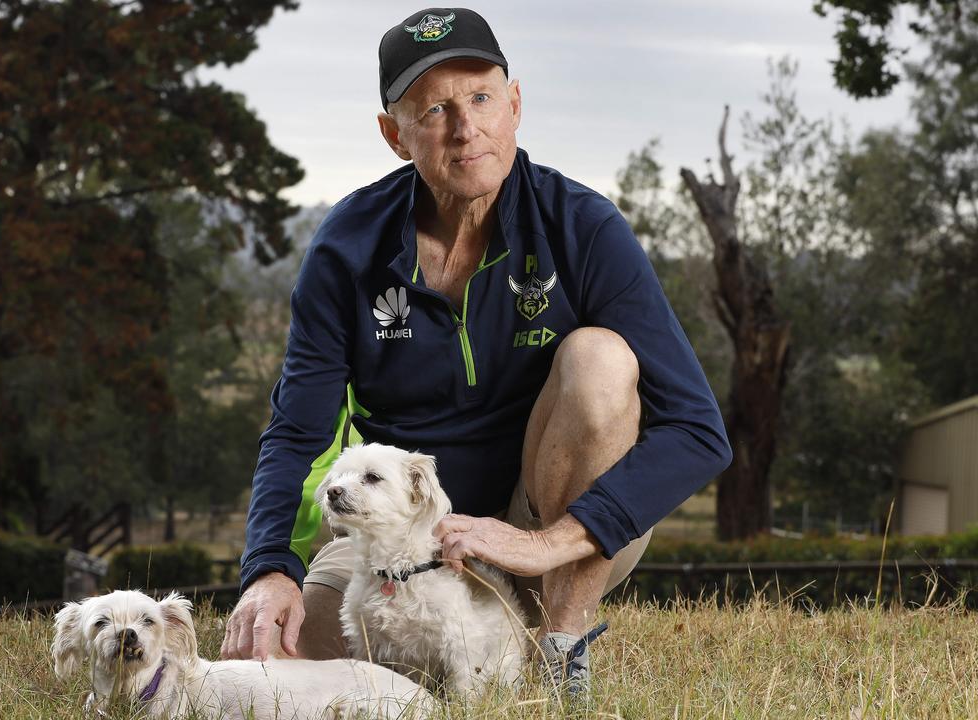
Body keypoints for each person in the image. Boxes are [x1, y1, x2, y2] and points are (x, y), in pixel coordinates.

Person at [220, 6, 731, 695]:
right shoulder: (347, 249)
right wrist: (267, 567)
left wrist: (542, 543)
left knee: (599, 359)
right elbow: (297, 430)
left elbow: (698, 431)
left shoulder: (583, 226)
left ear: (514, 104)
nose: (466, 130)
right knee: (271, 666)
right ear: (395, 136)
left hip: (549, 531)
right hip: (397, 542)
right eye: (433, 111)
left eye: (482, 98)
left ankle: (561, 644)